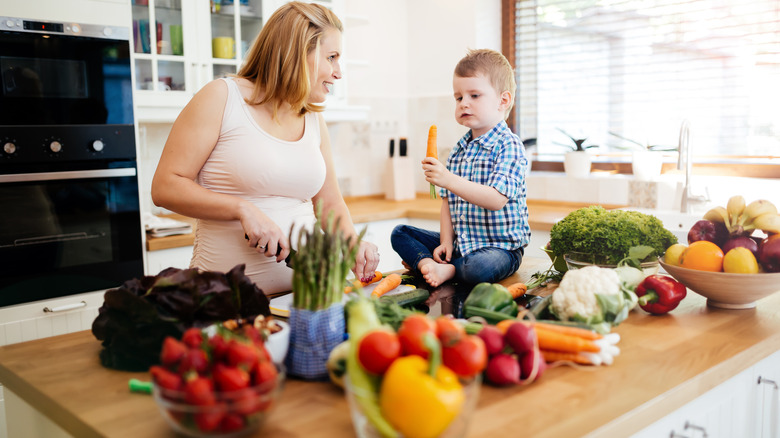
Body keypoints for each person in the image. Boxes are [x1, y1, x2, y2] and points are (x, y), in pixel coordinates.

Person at [151, 2, 379, 294]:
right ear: (298, 53)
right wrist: (242, 209)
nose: (338, 72)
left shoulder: (312, 117)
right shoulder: (221, 97)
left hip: (305, 299)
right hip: (225, 299)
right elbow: (165, 187)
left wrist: (351, 243)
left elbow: (329, 203)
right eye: (331, 57)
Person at [391, 48, 530, 287]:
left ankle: (447, 270)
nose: (464, 103)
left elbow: (496, 199)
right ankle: (429, 264)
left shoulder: (509, 146)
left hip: (500, 249)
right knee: (400, 233)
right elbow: (448, 201)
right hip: (461, 244)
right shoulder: (459, 149)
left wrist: (447, 179)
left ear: (503, 100)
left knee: (477, 268)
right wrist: (446, 242)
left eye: (474, 96)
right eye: (458, 97)